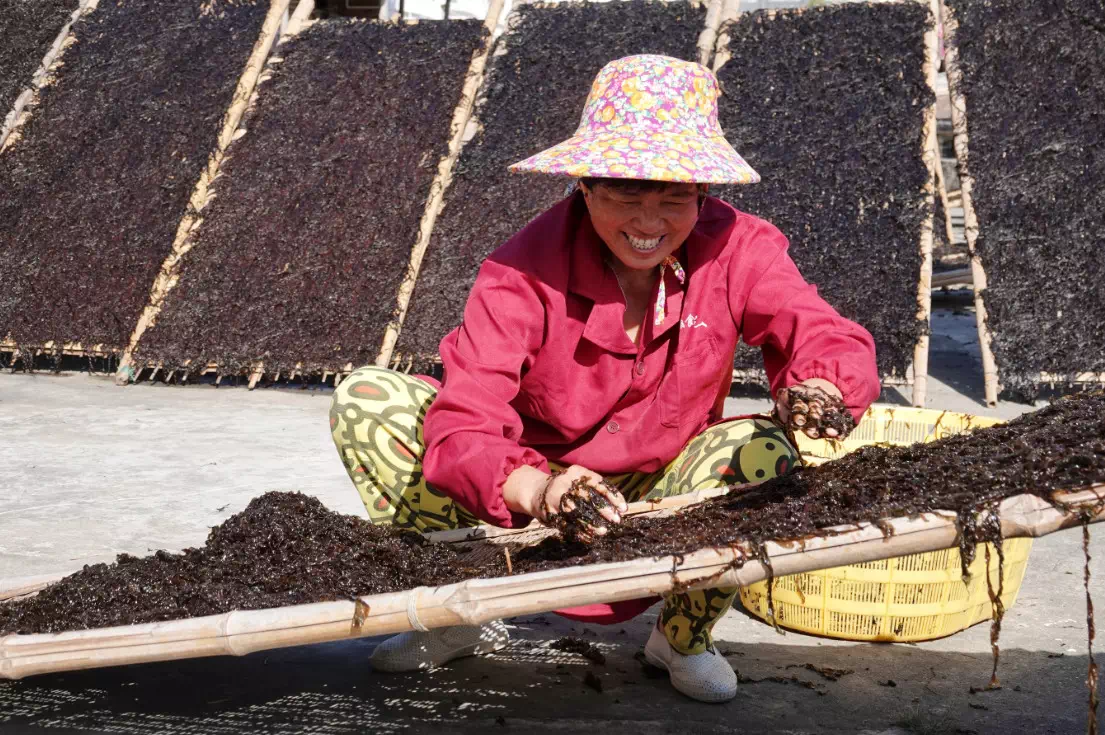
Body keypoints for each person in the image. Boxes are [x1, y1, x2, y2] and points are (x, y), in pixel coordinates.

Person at [329, 54, 879, 703]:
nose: (648, 222)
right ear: (584, 187)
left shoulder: (739, 246)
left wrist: (819, 386)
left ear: (701, 194)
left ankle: (680, 638)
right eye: (623, 192)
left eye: (672, 194)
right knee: (368, 397)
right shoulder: (517, 272)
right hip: (531, 494)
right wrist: (540, 489)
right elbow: (466, 419)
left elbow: (815, 328)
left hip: (665, 495)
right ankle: (455, 618)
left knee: (764, 454)